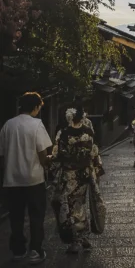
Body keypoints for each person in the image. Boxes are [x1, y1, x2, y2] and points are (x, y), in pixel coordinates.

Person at [0, 92, 52, 264]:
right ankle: (35, 251)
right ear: (36, 107)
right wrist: (49, 162)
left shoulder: (8, 125)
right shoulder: (36, 125)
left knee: (16, 217)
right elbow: (43, 155)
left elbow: (2, 154)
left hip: (12, 180)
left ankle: (18, 250)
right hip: (33, 180)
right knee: (36, 216)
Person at [51, 107, 104, 254]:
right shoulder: (88, 132)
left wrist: (52, 168)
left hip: (69, 174)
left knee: (71, 206)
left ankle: (76, 240)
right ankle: (84, 236)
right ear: (82, 118)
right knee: (80, 204)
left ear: (69, 118)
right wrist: (97, 171)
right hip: (85, 173)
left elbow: (56, 154)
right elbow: (94, 152)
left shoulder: (63, 133)